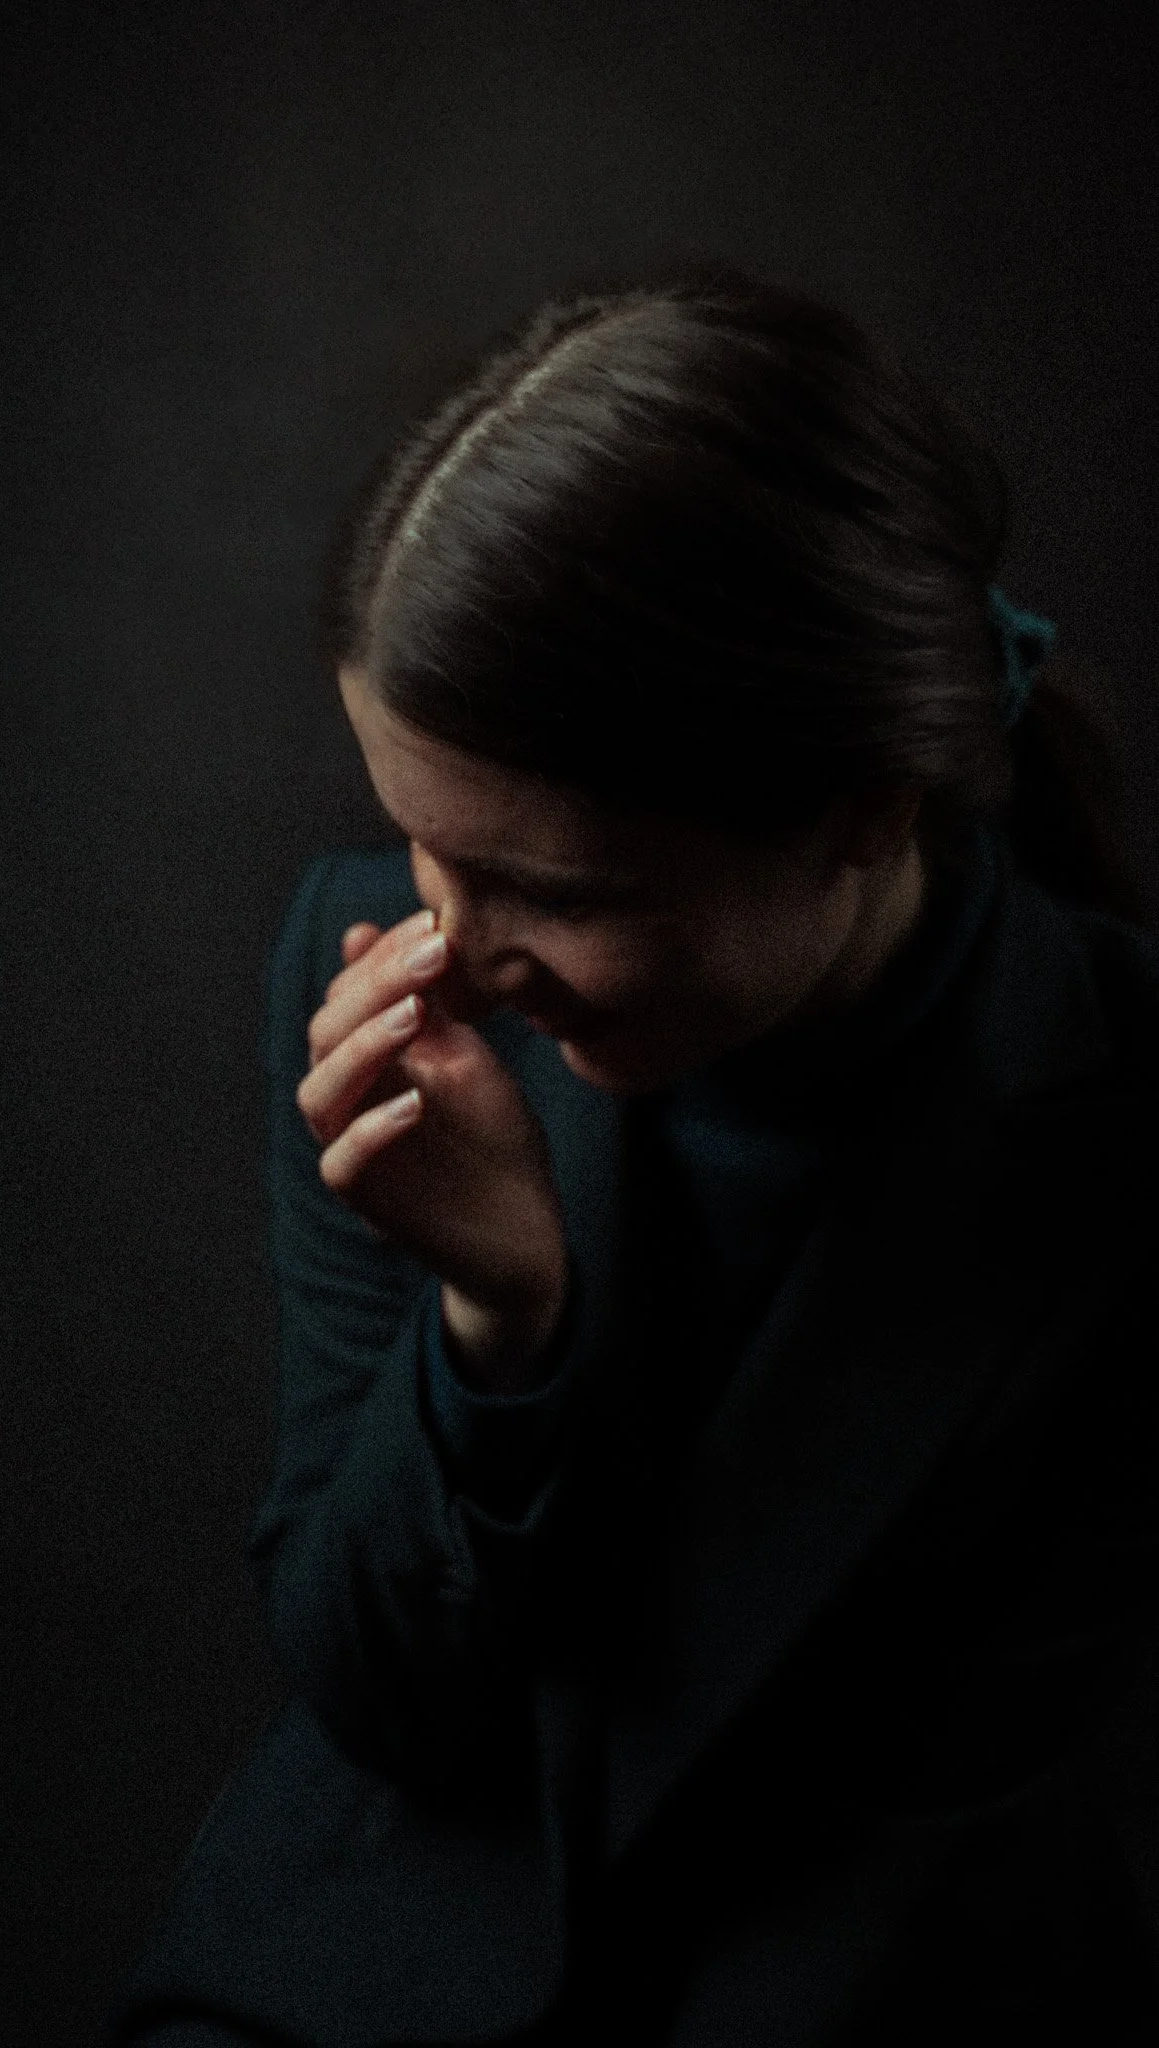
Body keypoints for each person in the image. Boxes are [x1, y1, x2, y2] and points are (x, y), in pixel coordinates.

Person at [109, 261, 1159, 2046]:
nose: (452, 945)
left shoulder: (1108, 1114)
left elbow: (999, 1872)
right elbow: (377, 1699)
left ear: (857, 811)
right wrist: (492, 1328)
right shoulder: (366, 982)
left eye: (559, 891)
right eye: (421, 848)